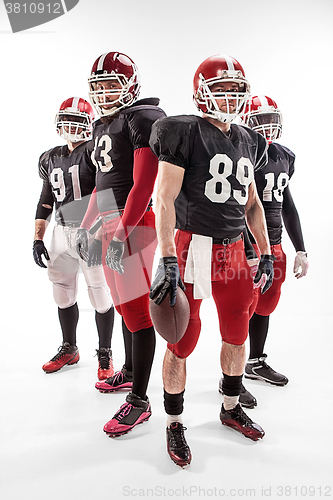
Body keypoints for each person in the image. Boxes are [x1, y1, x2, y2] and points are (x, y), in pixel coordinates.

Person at [149, 54, 275, 467]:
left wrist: (268, 251)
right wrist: (167, 256)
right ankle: (174, 421)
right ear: (201, 92)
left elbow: (253, 203)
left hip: (234, 249)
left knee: (237, 332)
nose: (229, 96)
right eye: (221, 89)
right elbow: (163, 197)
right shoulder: (183, 130)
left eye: (236, 90)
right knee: (181, 339)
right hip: (192, 246)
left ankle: (230, 404)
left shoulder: (249, 139)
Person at [75, 52, 166, 437]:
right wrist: (84, 225)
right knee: (124, 308)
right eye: (100, 86)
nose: (106, 92)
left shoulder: (144, 118)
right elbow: (101, 185)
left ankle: (141, 401)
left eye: (113, 83)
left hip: (135, 221)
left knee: (137, 314)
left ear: (131, 84)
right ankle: (129, 371)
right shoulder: (104, 126)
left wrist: (124, 232)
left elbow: (143, 186)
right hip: (112, 222)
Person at [33, 97, 115, 380]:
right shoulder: (51, 157)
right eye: (66, 120)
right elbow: (45, 202)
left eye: (77, 121)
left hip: (91, 230)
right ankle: (70, 347)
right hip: (61, 231)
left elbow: (107, 192)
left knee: (100, 294)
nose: (70, 126)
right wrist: (37, 238)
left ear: (88, 125)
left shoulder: (95, 151)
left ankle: (105, 353)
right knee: (62, 291)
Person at [240, 95, 308, 388]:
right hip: (250, 247)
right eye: (261, 120)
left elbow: (288, 206)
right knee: (240, 308)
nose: (267, 127)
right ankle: (231, 377)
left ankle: (255, 362)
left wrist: (301, 249)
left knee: (265, 304)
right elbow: (236, 207)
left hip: (276, 245)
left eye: (271, 120)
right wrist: (246, 249)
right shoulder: (241, 154)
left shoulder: (284, 155)